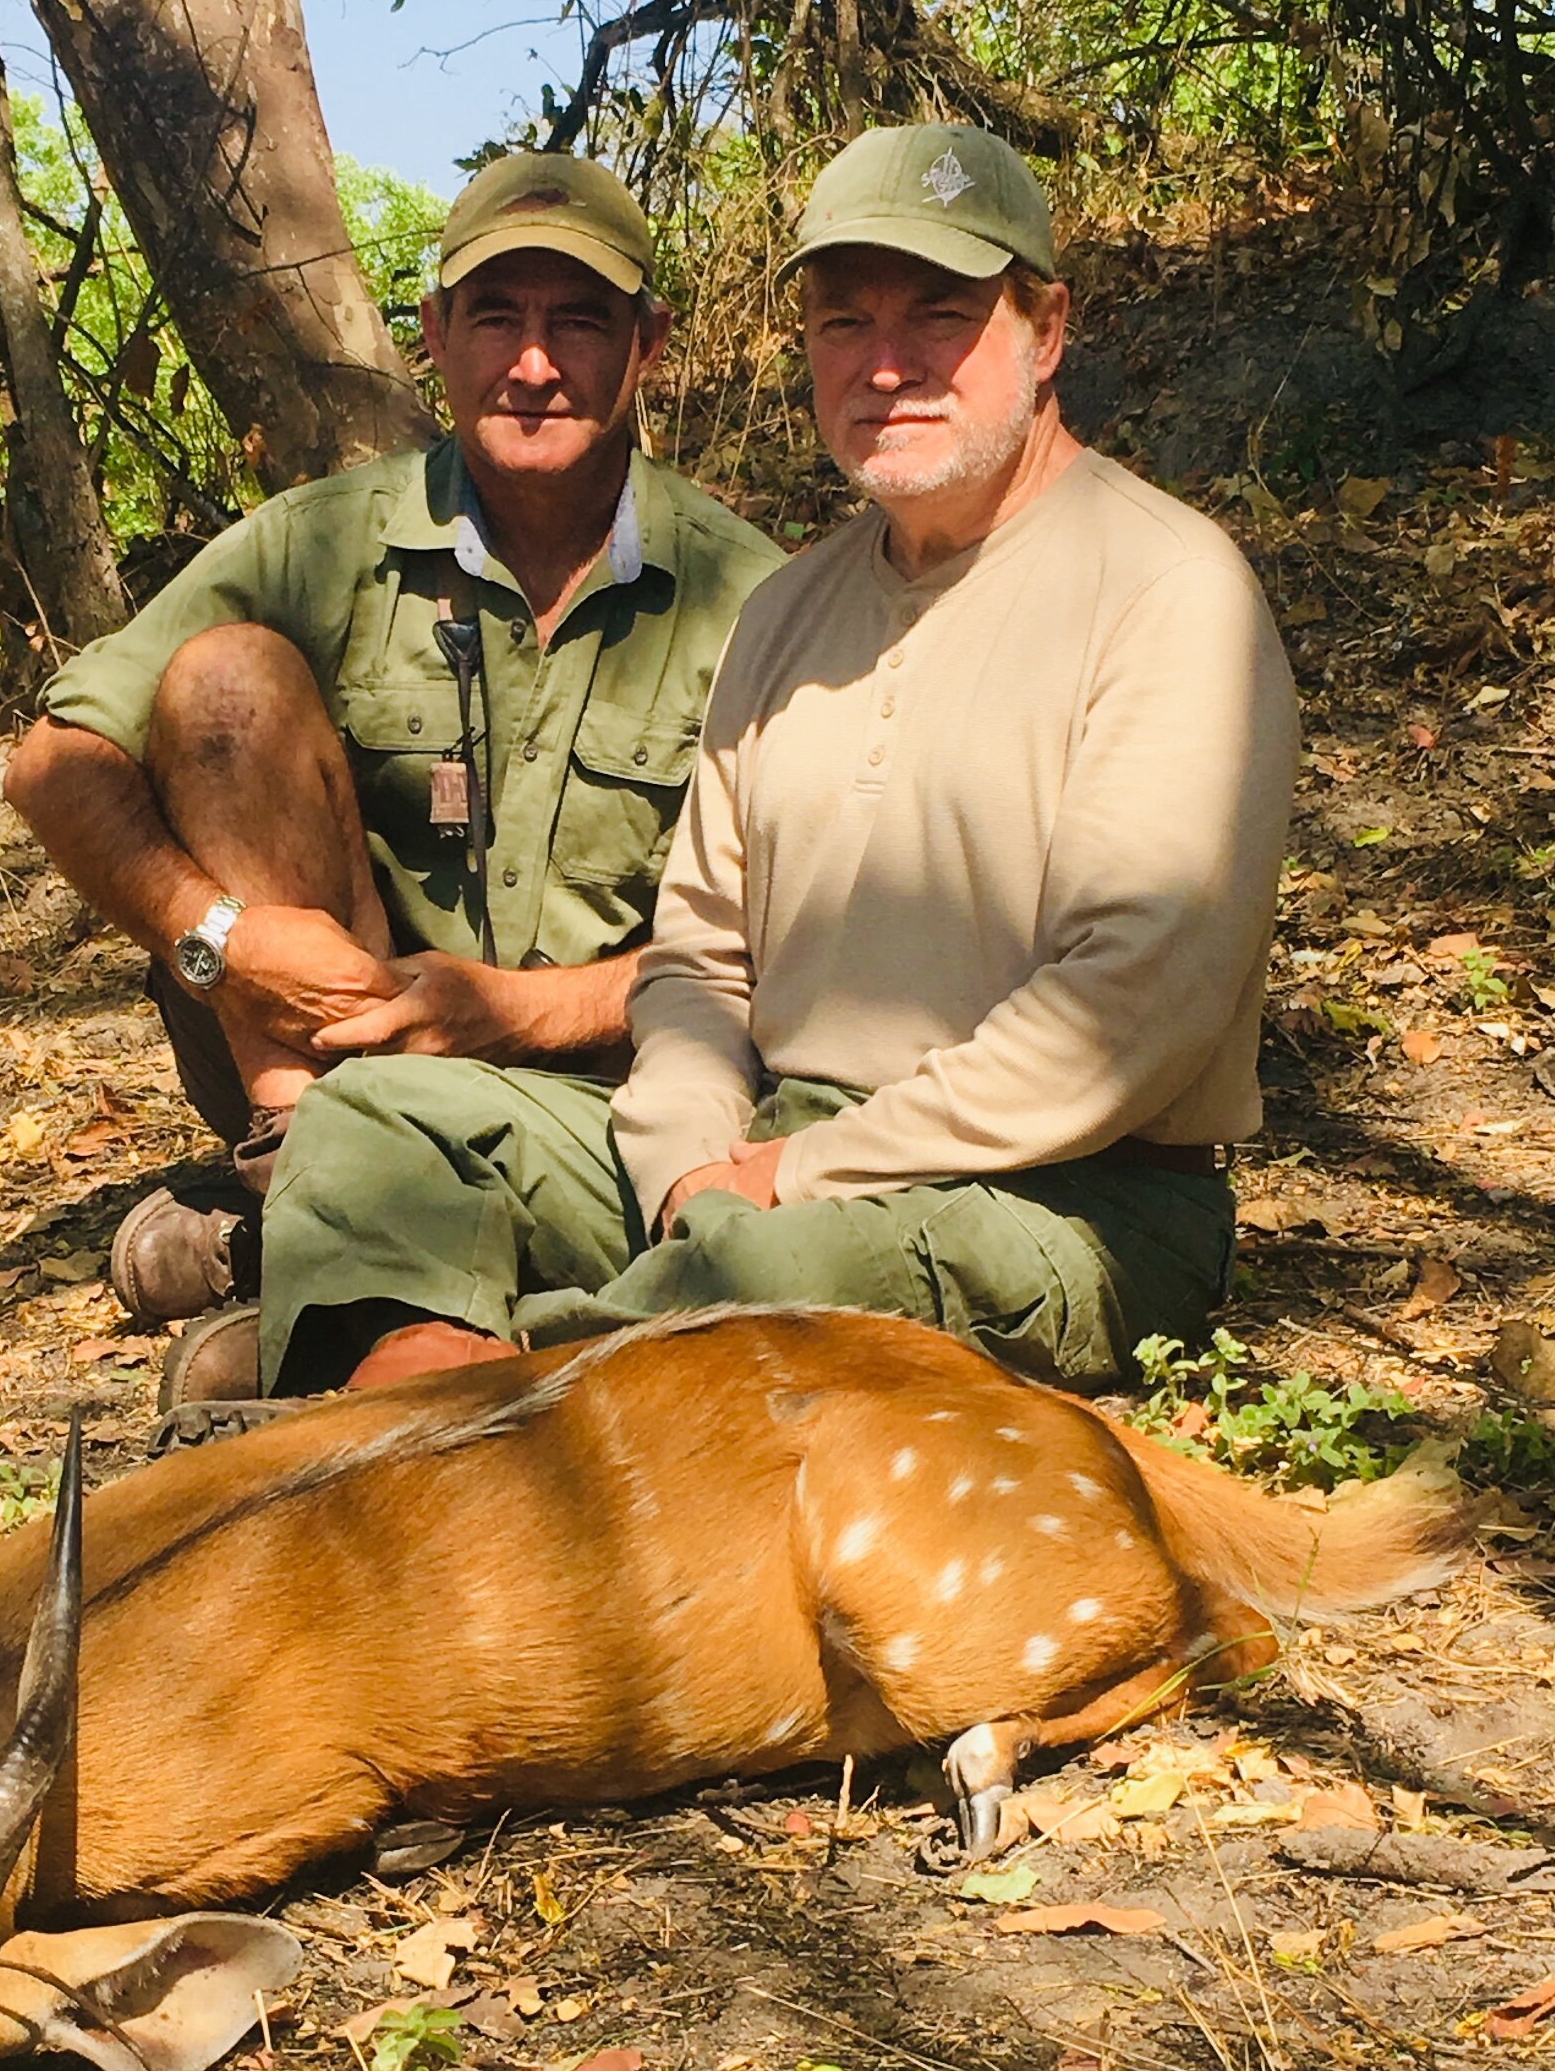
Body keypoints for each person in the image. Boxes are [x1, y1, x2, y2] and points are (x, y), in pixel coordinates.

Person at [235, 120, 1298, 1406]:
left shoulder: (1171, 593)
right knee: (374, 1119)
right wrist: (691, 1154)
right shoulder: (788, 610)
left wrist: (791, 1179)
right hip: (765, 1150)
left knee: (754, 1277)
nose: (887, 366)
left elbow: (1128, 1016)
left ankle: (421, 1410)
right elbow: (699, 961)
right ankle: (429, 1408)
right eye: (844, 322)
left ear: (1047, 328)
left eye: (941, 316)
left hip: (1063, 1197)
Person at [3, 153, 783, 1390]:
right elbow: (52, 764)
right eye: (496, 319)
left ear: (648, 344)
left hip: (601, 1088)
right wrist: (218, 939)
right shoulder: (322, 539)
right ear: (433, 336)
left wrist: (519, 1010)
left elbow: (786, 943)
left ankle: (310, 1279)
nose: (534, 365)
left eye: (578, 322)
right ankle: (300, 1180)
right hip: (313, 1060)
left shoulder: (756, 595)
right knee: (222, 682)